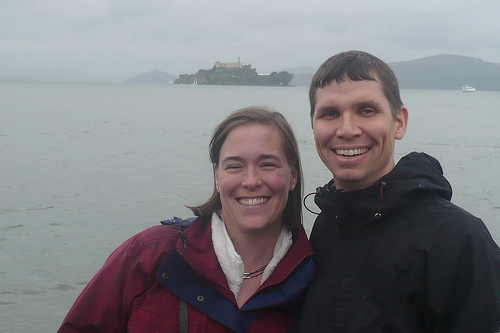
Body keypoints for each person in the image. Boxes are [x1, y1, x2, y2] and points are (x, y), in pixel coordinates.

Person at [58, 106, 315, 333]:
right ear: (216, 176)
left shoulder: (314, 279)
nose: (250, 181)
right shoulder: (150, 255)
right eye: (234, 166)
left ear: (292, 176)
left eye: (267, 164)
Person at [298, 50, 500, 332]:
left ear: (399, 122)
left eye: (366, 110)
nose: (346, 130)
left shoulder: (458, 238)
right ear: (314, 126)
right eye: (330, 114)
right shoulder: (327, 224)